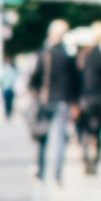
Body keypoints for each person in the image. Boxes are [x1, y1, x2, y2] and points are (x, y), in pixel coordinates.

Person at [33, 19, 80, 185]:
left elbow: (34, 77)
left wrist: (35, 92)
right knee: (60, 140)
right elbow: (75, 82)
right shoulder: (67, 56)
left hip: (45, 100)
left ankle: (40, 171)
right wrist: (75, 103)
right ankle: (57, 175)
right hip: (62, 101)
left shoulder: (44, 54)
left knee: (42, 138)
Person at [76, 22, 101, 176]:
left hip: (86, 98)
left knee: (85, 130)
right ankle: (95, 161)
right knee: (98, 132)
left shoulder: (84, 57)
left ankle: (86, 156)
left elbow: (78, 78)